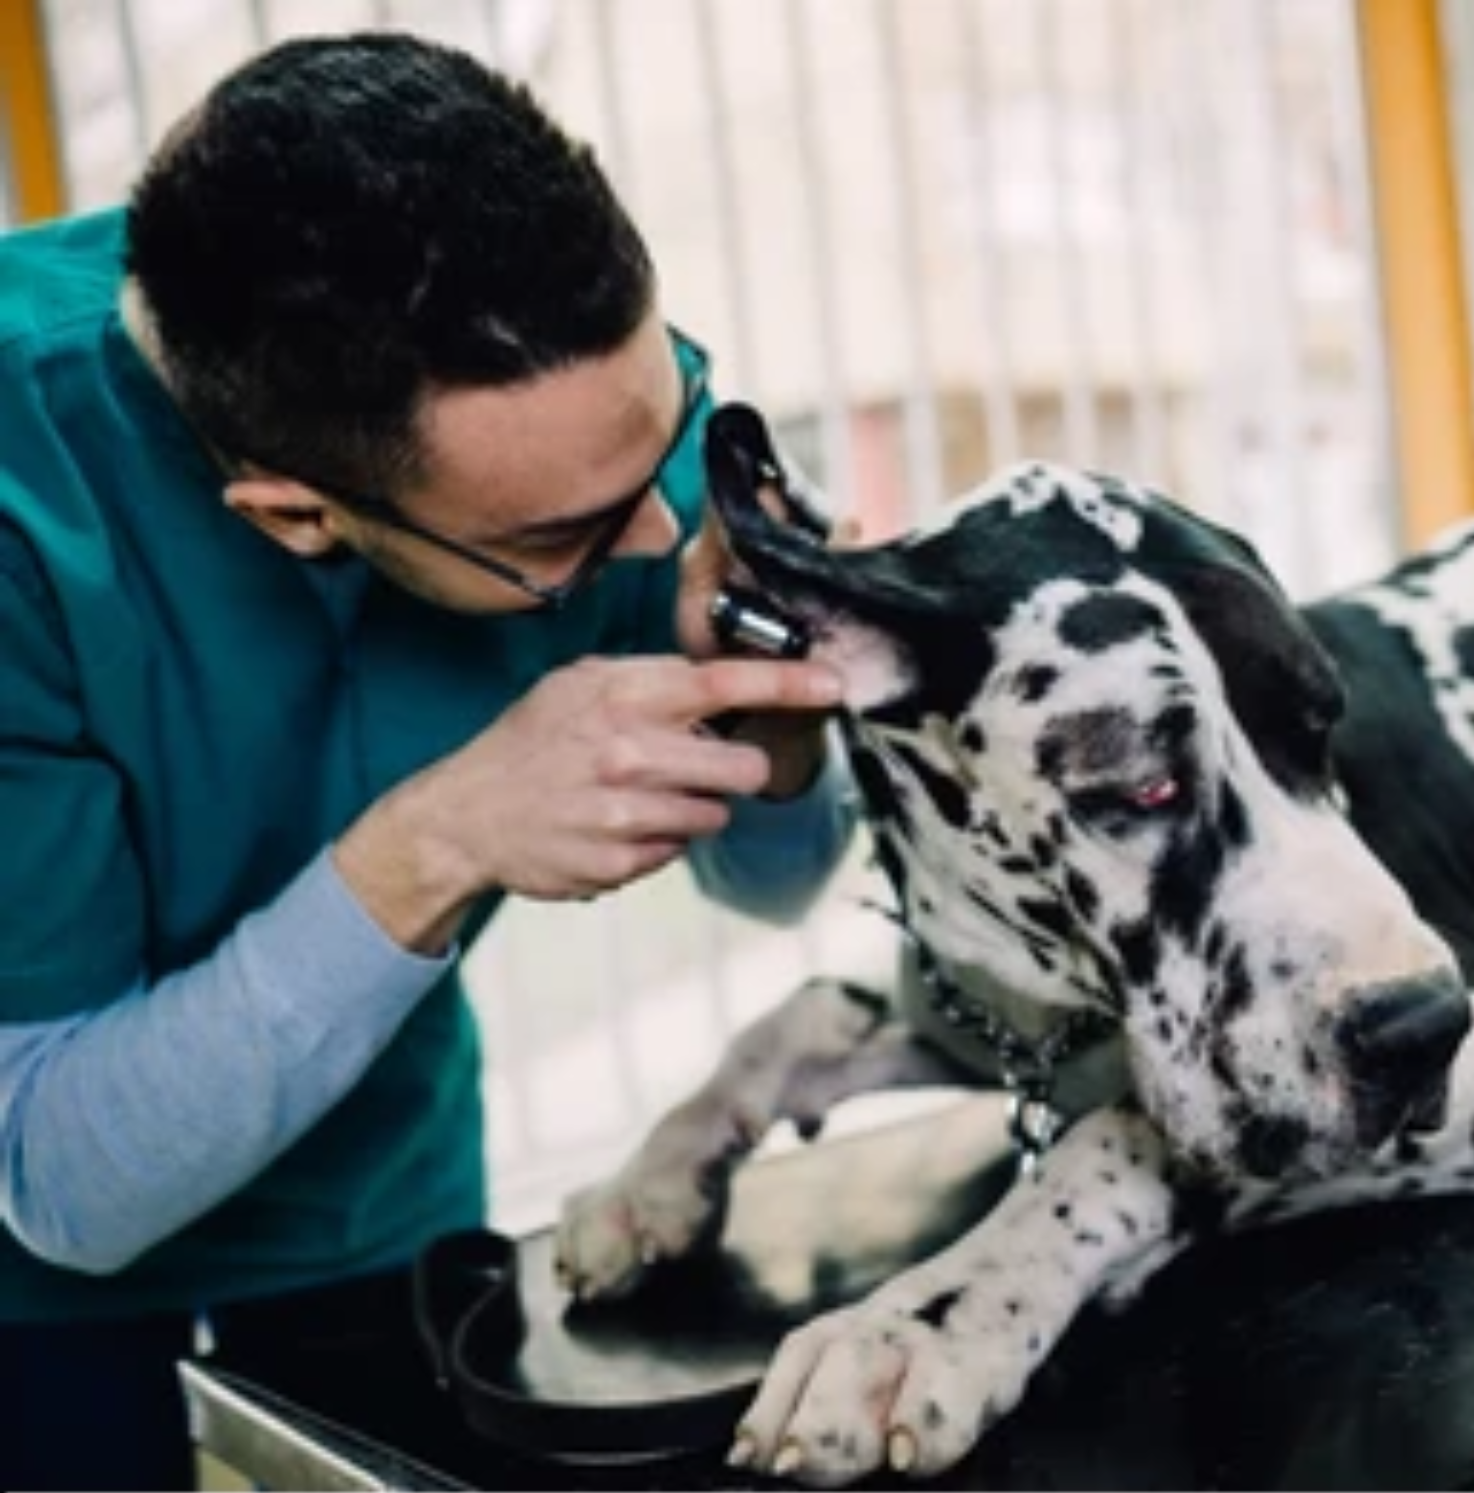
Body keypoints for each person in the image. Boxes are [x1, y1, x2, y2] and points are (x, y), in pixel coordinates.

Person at [0, 32, 856, 1489]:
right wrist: (439, 844)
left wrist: (781, 732)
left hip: (389, 1211)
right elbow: (62, 1183)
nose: (650, 544)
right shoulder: (31, 516)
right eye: (563, 544)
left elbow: (778, 887)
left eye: (663, 439)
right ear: (293, 516)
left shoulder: (576, 419)